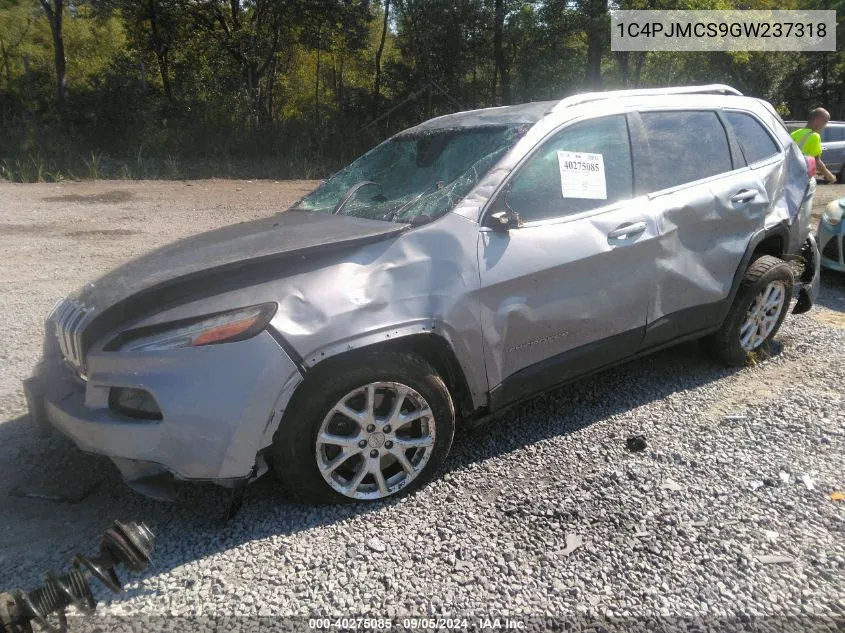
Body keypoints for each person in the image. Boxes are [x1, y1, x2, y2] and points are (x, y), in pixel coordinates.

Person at [791, 107, 837, 183]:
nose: (824, 126)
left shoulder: (796, 133)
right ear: (818, 120)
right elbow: (817, 161)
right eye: (825, 122)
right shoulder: (814, 136)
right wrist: (831, 177)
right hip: (802, 178)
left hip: (791, 174)